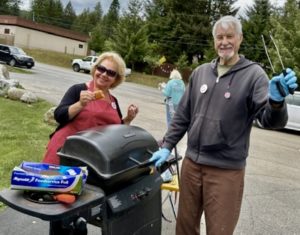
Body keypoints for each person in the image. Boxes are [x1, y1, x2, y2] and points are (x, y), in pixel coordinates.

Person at [150, 15, 298, 235]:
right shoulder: (200, 73)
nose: (224, 41)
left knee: (219, 230)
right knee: (184, 228)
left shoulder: (254, 75)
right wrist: (166, 145)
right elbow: (182, 116)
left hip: (226, 170)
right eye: (220, 37)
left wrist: (276, 102)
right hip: (192, 165)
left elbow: (269, 121)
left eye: (230, 36)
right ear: (214, 41)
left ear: (240, 39)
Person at [43, 51, 139, 165]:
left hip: (92, 157)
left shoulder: (113, 101)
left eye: (111, 73)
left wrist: (128, 119)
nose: (104, 74)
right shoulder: (78, 90)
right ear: (95, 69)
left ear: (116, 79)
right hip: (65, 151)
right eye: (101, 69)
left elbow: (115, 132)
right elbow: (59, 116)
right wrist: (80, 104)